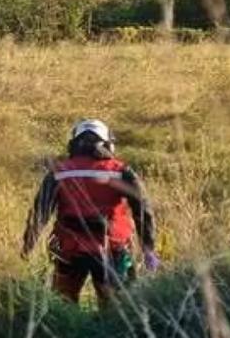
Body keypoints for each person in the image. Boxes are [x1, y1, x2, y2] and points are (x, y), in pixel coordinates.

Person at [21, 118, 159, 307]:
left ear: (74, 143)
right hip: (112, 250)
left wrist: (27, 248)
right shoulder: (121, 171)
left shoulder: (59, 172)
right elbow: (143, 209)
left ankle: (68, 335)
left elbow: (39, 214)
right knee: (117, 311)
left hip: (69, 251)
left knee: (62, 306)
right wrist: (148, 248)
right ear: (107, 143)